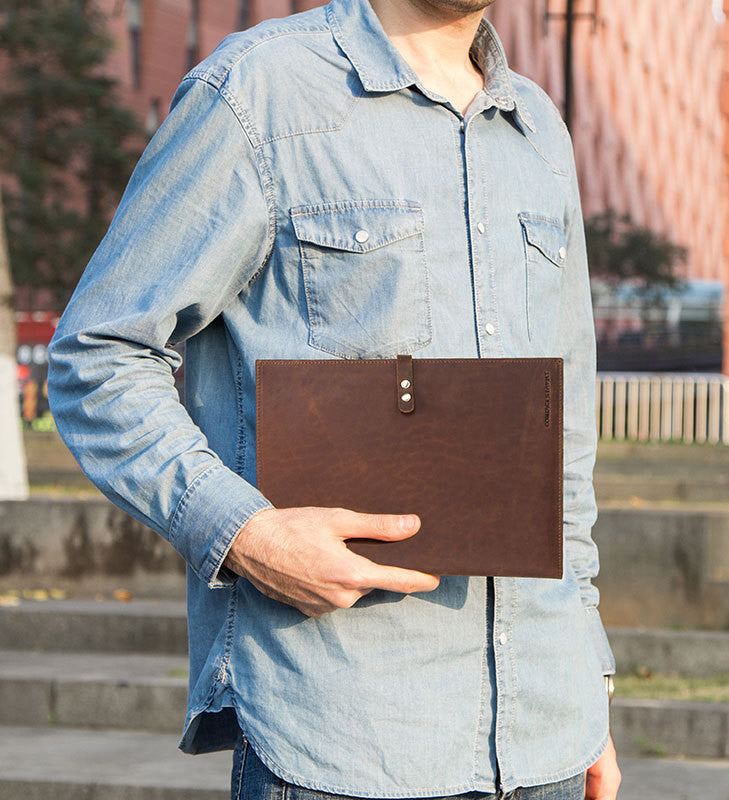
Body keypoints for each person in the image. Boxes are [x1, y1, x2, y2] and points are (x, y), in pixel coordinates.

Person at [47, 0, 621, 798]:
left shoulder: (538, 130)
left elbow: (567, 440)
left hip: (547, 737)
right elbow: (96, 358)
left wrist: (587, 679)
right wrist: (244, 533)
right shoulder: (256, 92)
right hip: (343, 731)